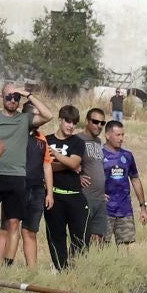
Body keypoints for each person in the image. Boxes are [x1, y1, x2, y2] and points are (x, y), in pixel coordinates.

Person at [0, 82, 52, 268]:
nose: (12, 100)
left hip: (16, 177)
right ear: (1, 97)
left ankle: (6, 267)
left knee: (13, 223)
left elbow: (48, 115)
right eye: (9, 96)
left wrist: (27, 94)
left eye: (15, 97)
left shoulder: (24, 119)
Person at [42, 105, 90, 271]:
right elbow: (43, 167)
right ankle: (61, 270)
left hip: (75, 196)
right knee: (56, 237)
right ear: (60, 120)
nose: (71, 126)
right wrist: (67, 164)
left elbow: (74, 162)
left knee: (80, 237)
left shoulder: (77, 142)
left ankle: (77, 270)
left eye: (74, 123)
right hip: (53, 196)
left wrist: (54, 156)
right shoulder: (46, 140)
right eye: (68, 121)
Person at [96, 120, 146, 246]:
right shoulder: (98, 155)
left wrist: (143, 207)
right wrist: (97, 194)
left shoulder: (127, 155)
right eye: (118, 135)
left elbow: (135, 179)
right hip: (104, 210)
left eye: (123, 135)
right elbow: (89, 178)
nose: (121, 138)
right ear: (107, 135)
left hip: (125, 210)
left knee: (125, 248)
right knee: (100, 246)